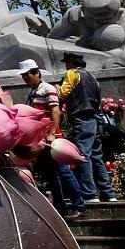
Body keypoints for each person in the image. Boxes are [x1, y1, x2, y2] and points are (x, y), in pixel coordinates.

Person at [18, 59, 86, 219]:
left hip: (52, 139)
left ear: (36, 73)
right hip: (41, 140)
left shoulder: (47, 89)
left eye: (27, 75)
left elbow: (56, 111)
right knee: (51, 174)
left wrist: (52, 132)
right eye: (23, 76)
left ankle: (79, 206)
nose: (26, 78)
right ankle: (60, 208)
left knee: (64, 171)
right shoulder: (34, 91)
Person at [59, 52, 118, 203]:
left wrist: (55, 89)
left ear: (71, 62)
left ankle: (90, 194)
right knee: (97, 156)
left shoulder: (72, 74)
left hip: (81, 117)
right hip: (95, 118)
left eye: (67, 62)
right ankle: (109, 193)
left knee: (83, 154)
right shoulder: (92, 77)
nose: (66, 65)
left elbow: (63, 93)